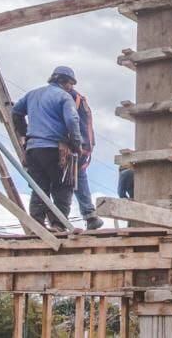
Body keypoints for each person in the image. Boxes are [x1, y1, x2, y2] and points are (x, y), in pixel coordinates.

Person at [11, 66, 83, 231]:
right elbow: (72, 120)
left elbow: (16, 112)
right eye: (71, 84)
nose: (72, 88)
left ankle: (37, 223)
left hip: (33, 149)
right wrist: (77, 144)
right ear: (65, 82)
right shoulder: (64, 97)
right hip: (55, 149)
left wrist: (24, 133)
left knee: (39, 187)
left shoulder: (32, 94)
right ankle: (58, 225)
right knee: (63, 186)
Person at [67, 84, 104, 230]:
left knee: (63, 180)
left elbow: (70, 121)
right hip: (83, 145)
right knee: (79, 177)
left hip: (76, 146)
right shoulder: (79, 99)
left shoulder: (68, 97)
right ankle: (90, 215)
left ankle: (58, 219)